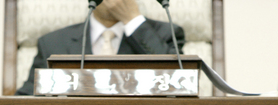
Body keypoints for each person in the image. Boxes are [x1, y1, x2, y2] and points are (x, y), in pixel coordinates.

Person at [15, 0, 185, 95]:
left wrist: (133, 20)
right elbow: (27, 99)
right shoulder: (53, 42)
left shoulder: (165, 33)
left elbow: (179, 84)